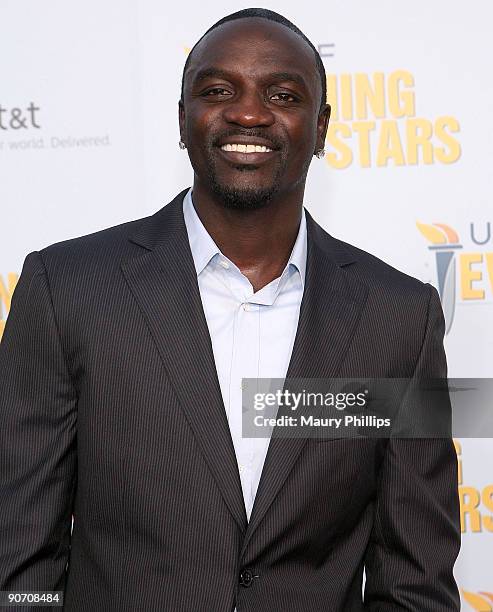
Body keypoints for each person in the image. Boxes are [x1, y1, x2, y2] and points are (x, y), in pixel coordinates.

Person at [0, 8, 460, 611]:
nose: (249, 112)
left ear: (320, 128)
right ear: (183, 120)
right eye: (218, 91)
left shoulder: (401, 318)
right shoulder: (69, 288)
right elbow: (20, 555)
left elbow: (416, 579)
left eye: (283, 94)